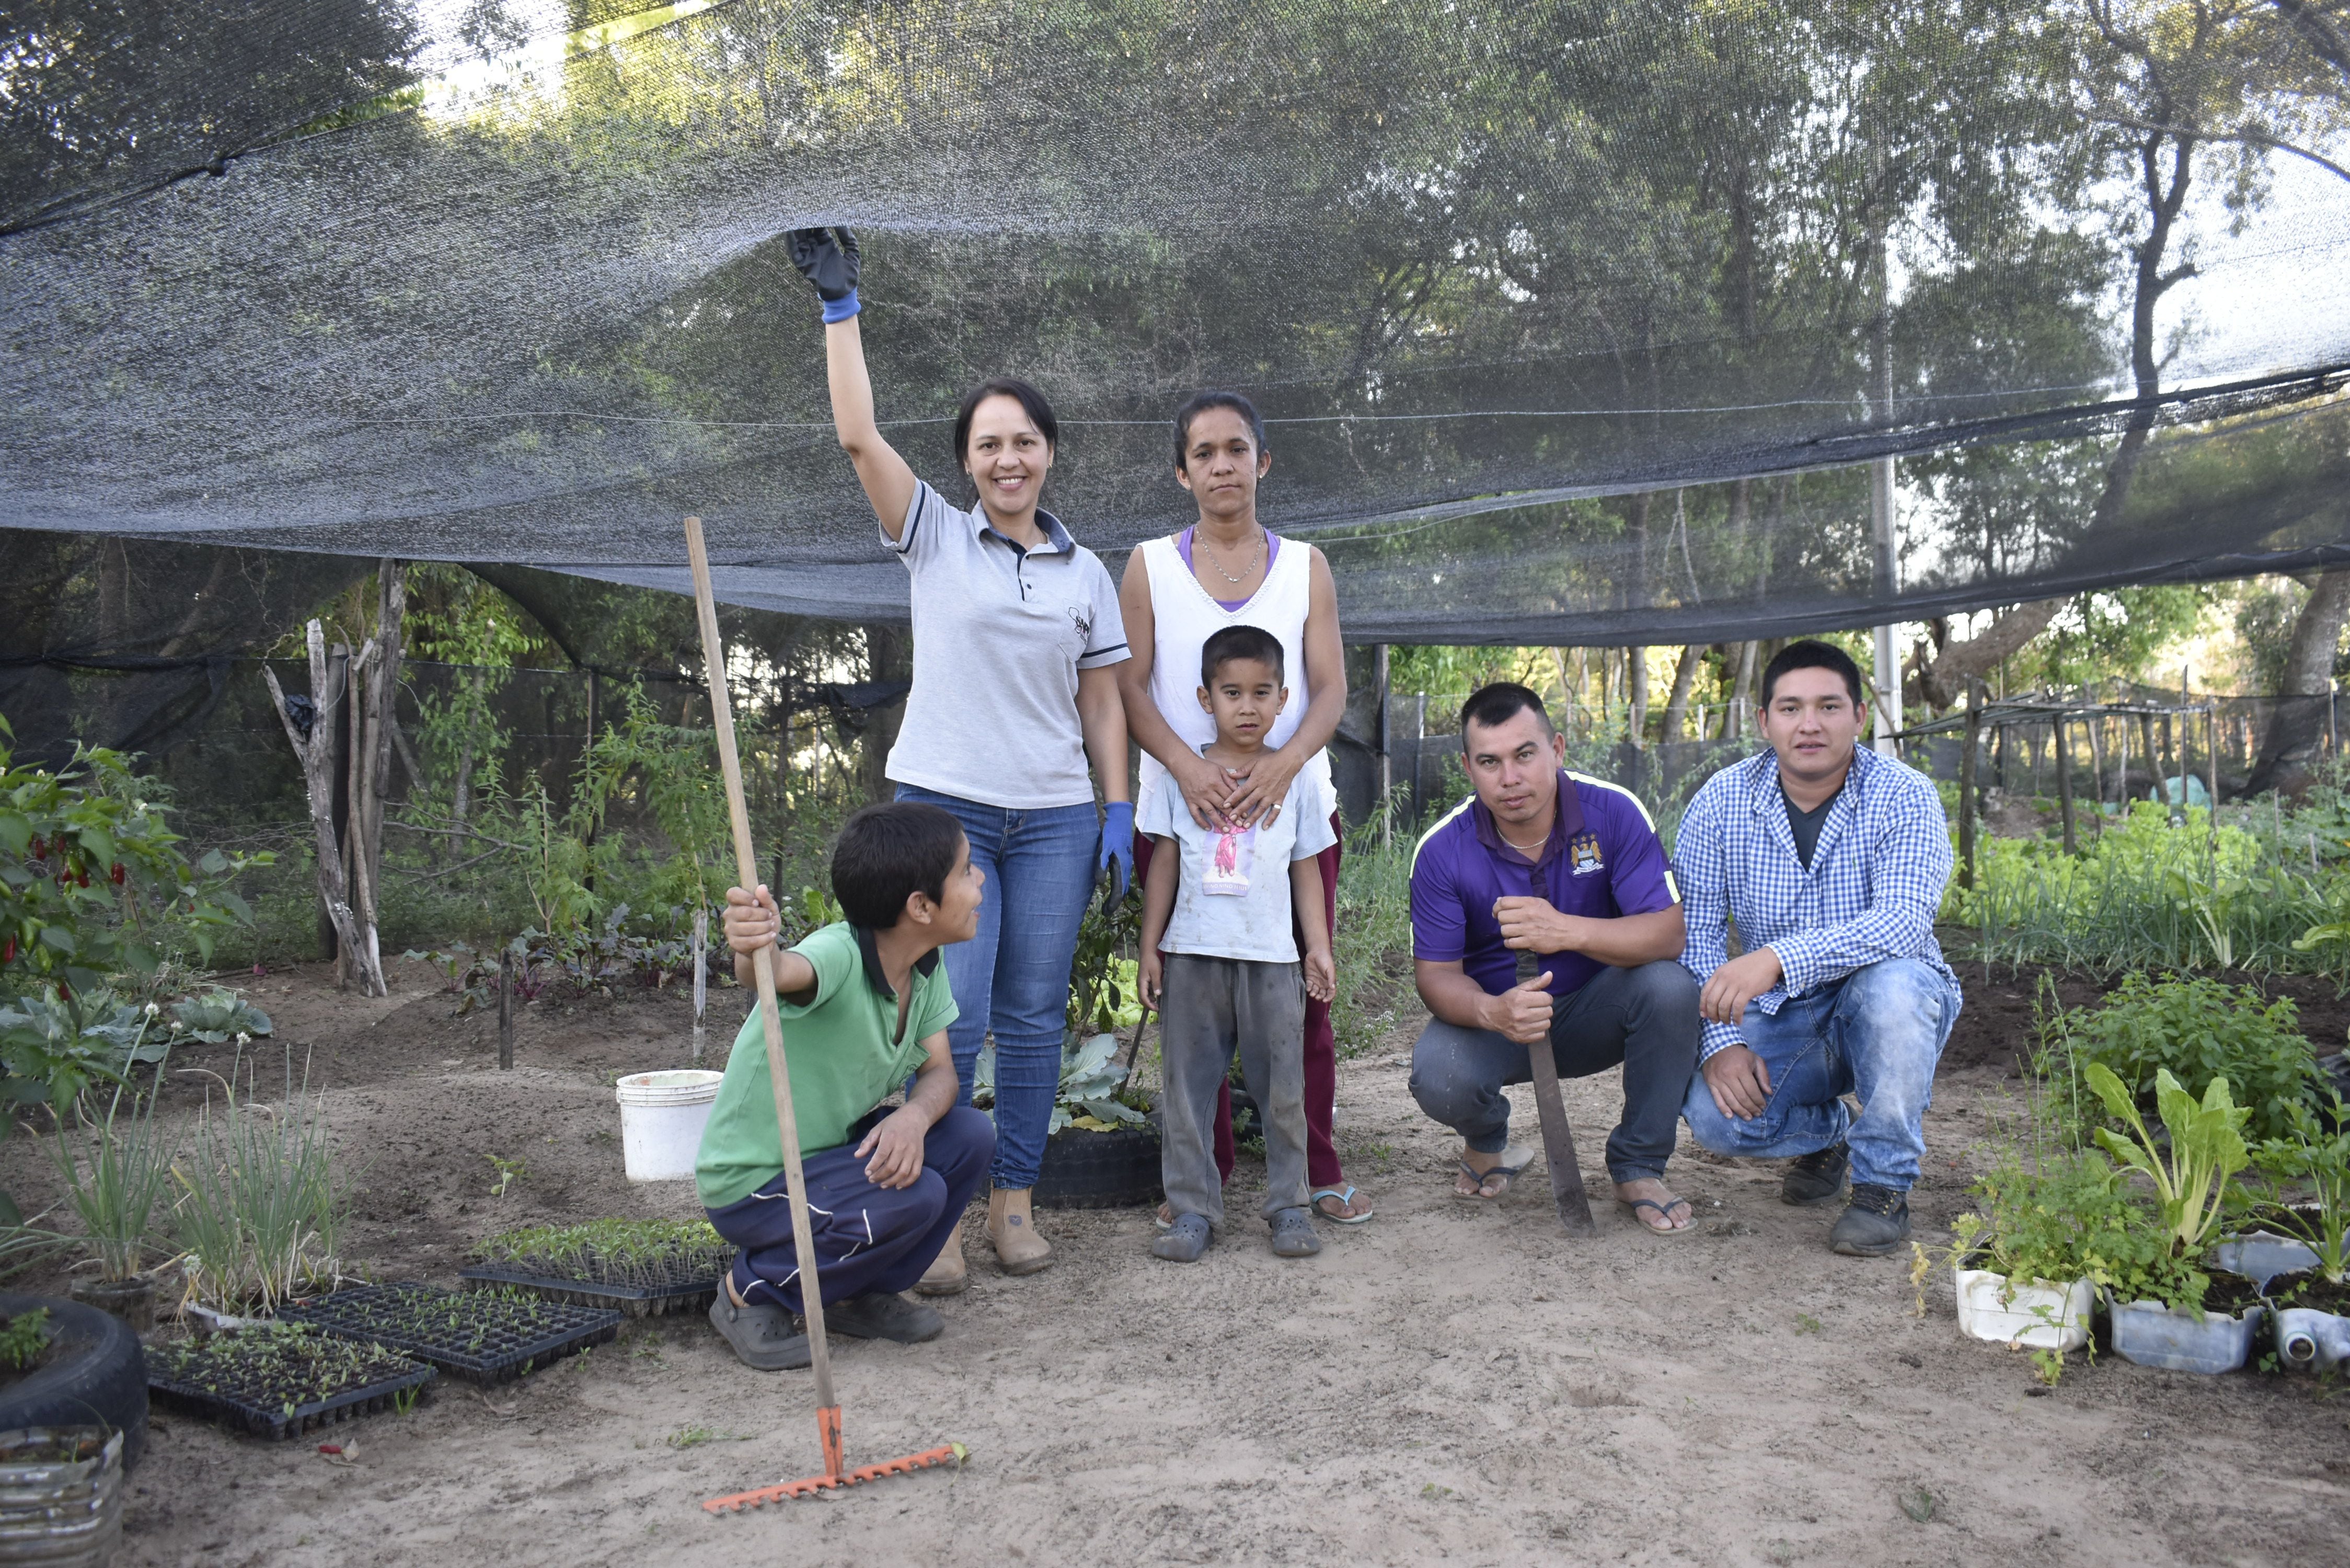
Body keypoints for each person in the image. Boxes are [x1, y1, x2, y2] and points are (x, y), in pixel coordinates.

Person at [788, 226, 1133, 1288]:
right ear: (967, 463)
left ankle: (1014, 1206)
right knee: (949, 1018)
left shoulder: (1087, 574)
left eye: (1023, 441)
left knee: (1033, 1020)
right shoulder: (932, 532)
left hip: (1056, 822)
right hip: (944, 820)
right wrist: (841, 310)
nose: (1007, 458)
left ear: (1049, 453)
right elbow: (856, 437)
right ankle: (922, 1217)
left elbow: (1101, 700)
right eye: (988, 445)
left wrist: (1113, 810)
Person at [1116, 390, 1373, 1228]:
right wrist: (1187, 769)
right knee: (1196, 1001)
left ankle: (1316, 1171)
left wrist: (1286, 767)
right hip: (1184, 811)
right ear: (1182, 470)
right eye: (1203, 452)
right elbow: (1128, 685)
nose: (1221, 465)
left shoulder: (1307, 566)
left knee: (1303, 990)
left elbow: (1330, 689)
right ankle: (1208, 1178)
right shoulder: (1150, 565)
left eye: (1236, 449)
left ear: (1263, 462)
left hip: (1289, 817)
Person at [1674, 639, 1962, 1256]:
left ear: (1859, 717)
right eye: (1790, 708)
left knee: (1893, 986)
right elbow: (1693, 935)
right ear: (1763, 721)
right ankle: (1830, 1133)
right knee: (1713, 1116)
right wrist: (1720, 1045)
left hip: (1889, 1001)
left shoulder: (1903, 795)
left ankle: (1882, 1186)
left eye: (1829, 707)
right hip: (1788, 1012)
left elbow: (1902, 923)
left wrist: (1777, 958)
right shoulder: (1719, 803)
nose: (1809, 724)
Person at [698, 802, 996, 1370]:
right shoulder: (840, 953)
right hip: (757, 1181)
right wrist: (750, 947)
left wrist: (910, 1118)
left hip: (827, 1165)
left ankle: (855, 1292)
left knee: (967, 1136)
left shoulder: (924, 969)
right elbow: (777, 974)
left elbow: (939, 1074)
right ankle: (750, 1291)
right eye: (965, 871)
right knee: (919, 1192)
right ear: (920, 906)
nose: (979, 880)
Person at [1406, 683, 1701, 1232]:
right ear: (1468, 768)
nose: (1509, 778)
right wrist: (1493, 1012)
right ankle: (1490, 1140)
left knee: (1670, 989)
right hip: (1500, 1021)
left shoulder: (1612, 812)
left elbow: (1667, 935)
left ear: (1557, 749)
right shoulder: (1442, 850)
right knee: (1437, 1074)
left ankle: (1637, 1164)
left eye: (1524, 755)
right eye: (1489, 762)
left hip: (1598, 1011)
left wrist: (1564, 931)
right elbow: (1435, 977)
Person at [1137, 626, 1339, 1262]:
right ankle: (1193, 1212)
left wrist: (1317, 946)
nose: (1246, 707)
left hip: (1272, 960)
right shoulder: (1183, 775)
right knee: (1186, 1093)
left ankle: (1288, 1207)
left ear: (1283, 700)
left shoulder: (1296, 778)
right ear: (1205, 698)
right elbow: (1163, 862)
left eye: (1261, 692)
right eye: (1231, 692)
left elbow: (1306, 864)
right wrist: (1151, 947)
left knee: (1282, 1090)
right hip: (1193, 955)